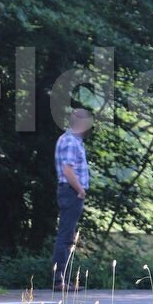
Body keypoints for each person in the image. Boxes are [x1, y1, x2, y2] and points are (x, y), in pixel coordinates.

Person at [51, 108, 94, 290]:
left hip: (69, 191)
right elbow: (68, 170)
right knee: (66, 235)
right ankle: (59, 280)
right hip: (71, 191)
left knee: (67, 234)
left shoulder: (72, 140)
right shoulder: (70, 141)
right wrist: (80, 190)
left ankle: (62, 279)